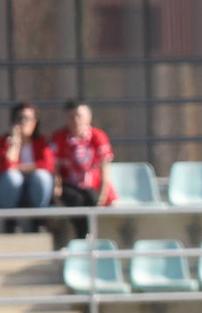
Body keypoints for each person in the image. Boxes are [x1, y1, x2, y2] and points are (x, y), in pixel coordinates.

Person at [51, 100, 117, 240]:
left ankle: (89, 237)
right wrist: (56, 186)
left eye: (79, 116)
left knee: (92, 199)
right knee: (75, 199)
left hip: (92, 184)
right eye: (71, 117)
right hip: (70, 184)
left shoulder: (98, 136)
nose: (75, 120)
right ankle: (83, 237)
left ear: (88, 117)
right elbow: (55, 166)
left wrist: (104, 191)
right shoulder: (60, 137)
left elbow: (105, 166)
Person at [0, 103, 55, 233]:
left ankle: (39, 221)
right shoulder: (4, 141)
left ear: (35, 122)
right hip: (10, 194)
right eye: (20, 118)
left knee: (41, 176)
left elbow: (47, 165)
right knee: (12, 177)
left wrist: (20, 167)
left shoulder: (41, 142)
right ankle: (10, 222)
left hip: (35, 192)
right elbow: (6, 166)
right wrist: (15, 142)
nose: (23, 122)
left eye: (28, 119)